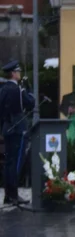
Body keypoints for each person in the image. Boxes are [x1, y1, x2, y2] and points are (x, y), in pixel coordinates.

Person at [1, 61, 33, 206]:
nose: (19, 74)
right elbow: (30, 102)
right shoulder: (17, 90)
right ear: (13, 73)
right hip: (18, 129)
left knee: (9, 163)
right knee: (16, 163)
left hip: (7, 128)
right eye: (18, 71)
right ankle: (13, 195)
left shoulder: (3, 89)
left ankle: (8, 195)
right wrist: (28, 88)